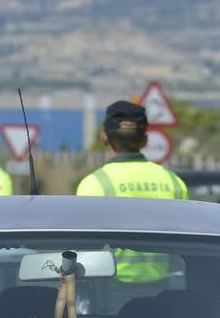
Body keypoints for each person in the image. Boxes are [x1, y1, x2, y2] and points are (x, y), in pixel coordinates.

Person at [76, 100, 188, 285]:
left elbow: (82, 250)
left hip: (107, 290)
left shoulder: (93, 184)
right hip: (165, 290)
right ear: (144, 140)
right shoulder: (175, 183)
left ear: (104, 137)